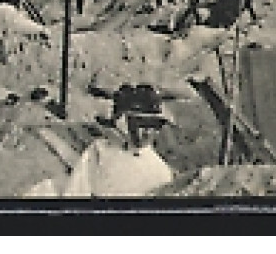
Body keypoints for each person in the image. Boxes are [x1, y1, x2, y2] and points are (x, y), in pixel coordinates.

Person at [31, 83, 176, 197]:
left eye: (154, 126)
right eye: (141, 125)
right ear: (126, 122)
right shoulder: (101, 150)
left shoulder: (161, 171)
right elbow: (77, 191)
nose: (148, 132)